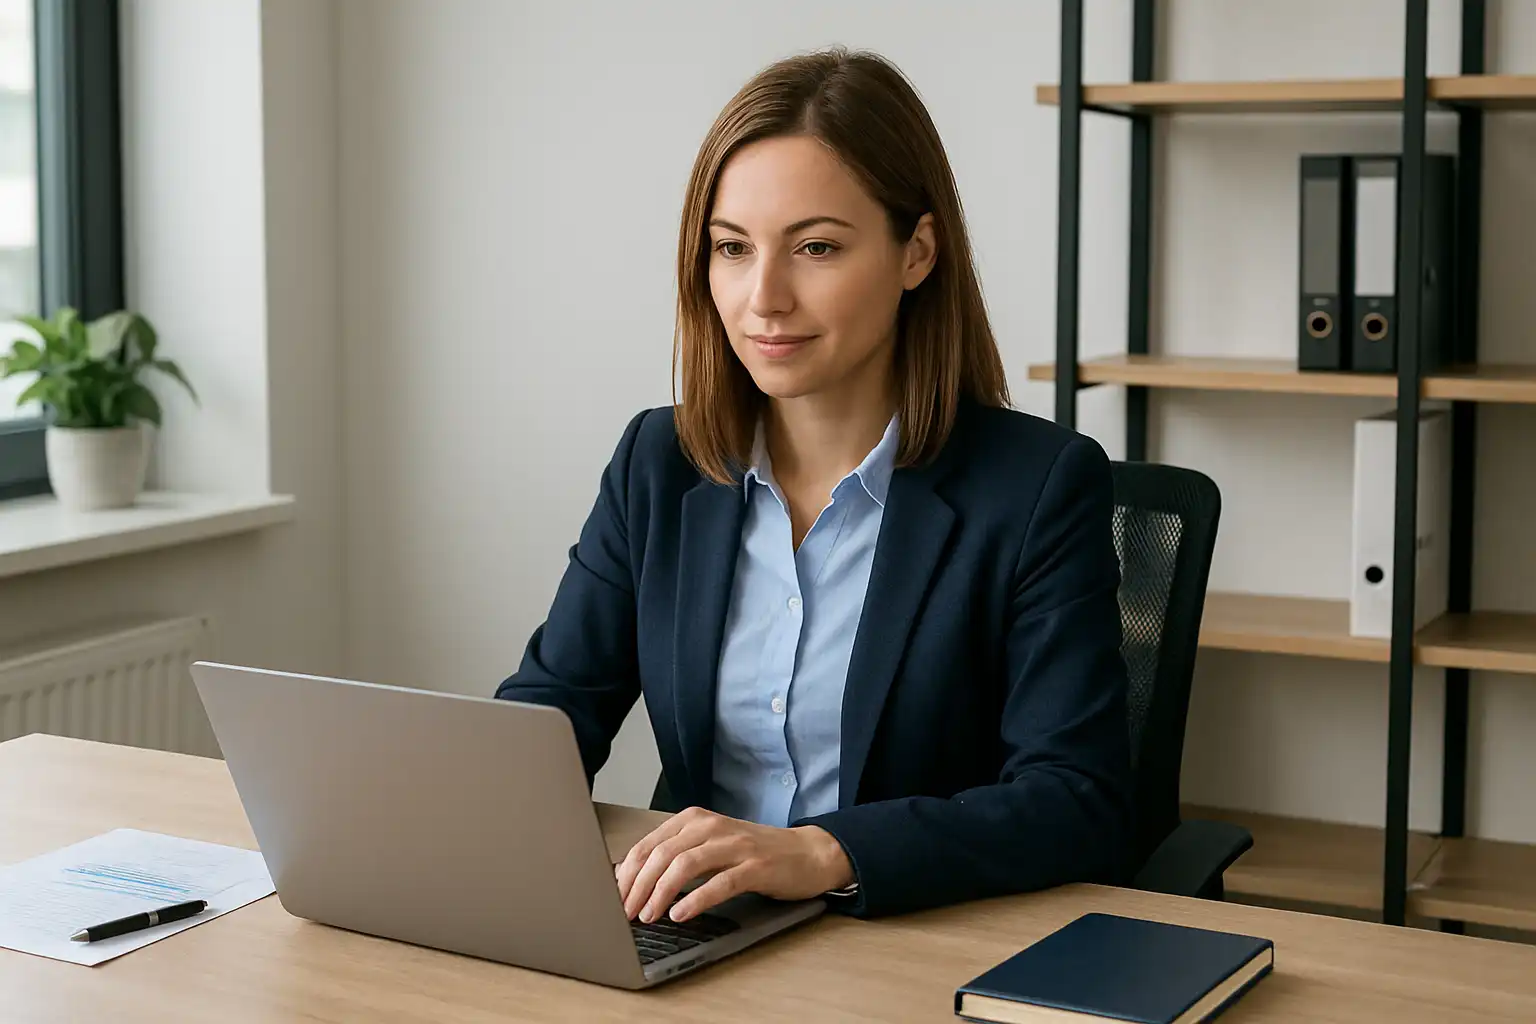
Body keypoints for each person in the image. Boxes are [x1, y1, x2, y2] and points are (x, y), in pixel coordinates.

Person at [496, 46, 1131, 927]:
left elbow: (1076, 799)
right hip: (693, 927)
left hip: (909, 937)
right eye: (732, 248)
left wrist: (825, 852)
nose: (764, 298)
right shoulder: (657, 462)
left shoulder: (1036, 488)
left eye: (816, 248)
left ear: (917, 253)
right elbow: (549, 716)